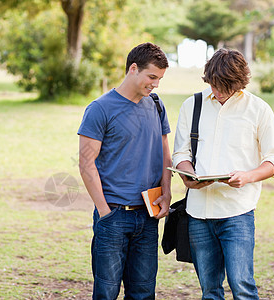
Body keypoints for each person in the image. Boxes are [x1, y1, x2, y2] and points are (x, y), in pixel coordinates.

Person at [172, 48, 274, 299]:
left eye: (224, 86)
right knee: (209, 291)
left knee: (242, 287)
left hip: (237, 213)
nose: (218, 91)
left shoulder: (259, 109)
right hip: (198, 213)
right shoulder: (192, 105)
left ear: (239, 83)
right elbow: (180, 154)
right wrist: (188, 175)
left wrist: (248, 176)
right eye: (213, 84)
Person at [78, 42, 172, 299]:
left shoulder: (156, 105)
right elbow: (86, 163)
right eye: (152, 77)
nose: (155, 84)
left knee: (143, 293)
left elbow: (165, 154)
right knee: (106, 293)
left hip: (148, 216)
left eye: (160, 79)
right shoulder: (100, 109)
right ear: (133, 68)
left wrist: (167, 193)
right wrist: (104, 212)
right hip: (113, 217)